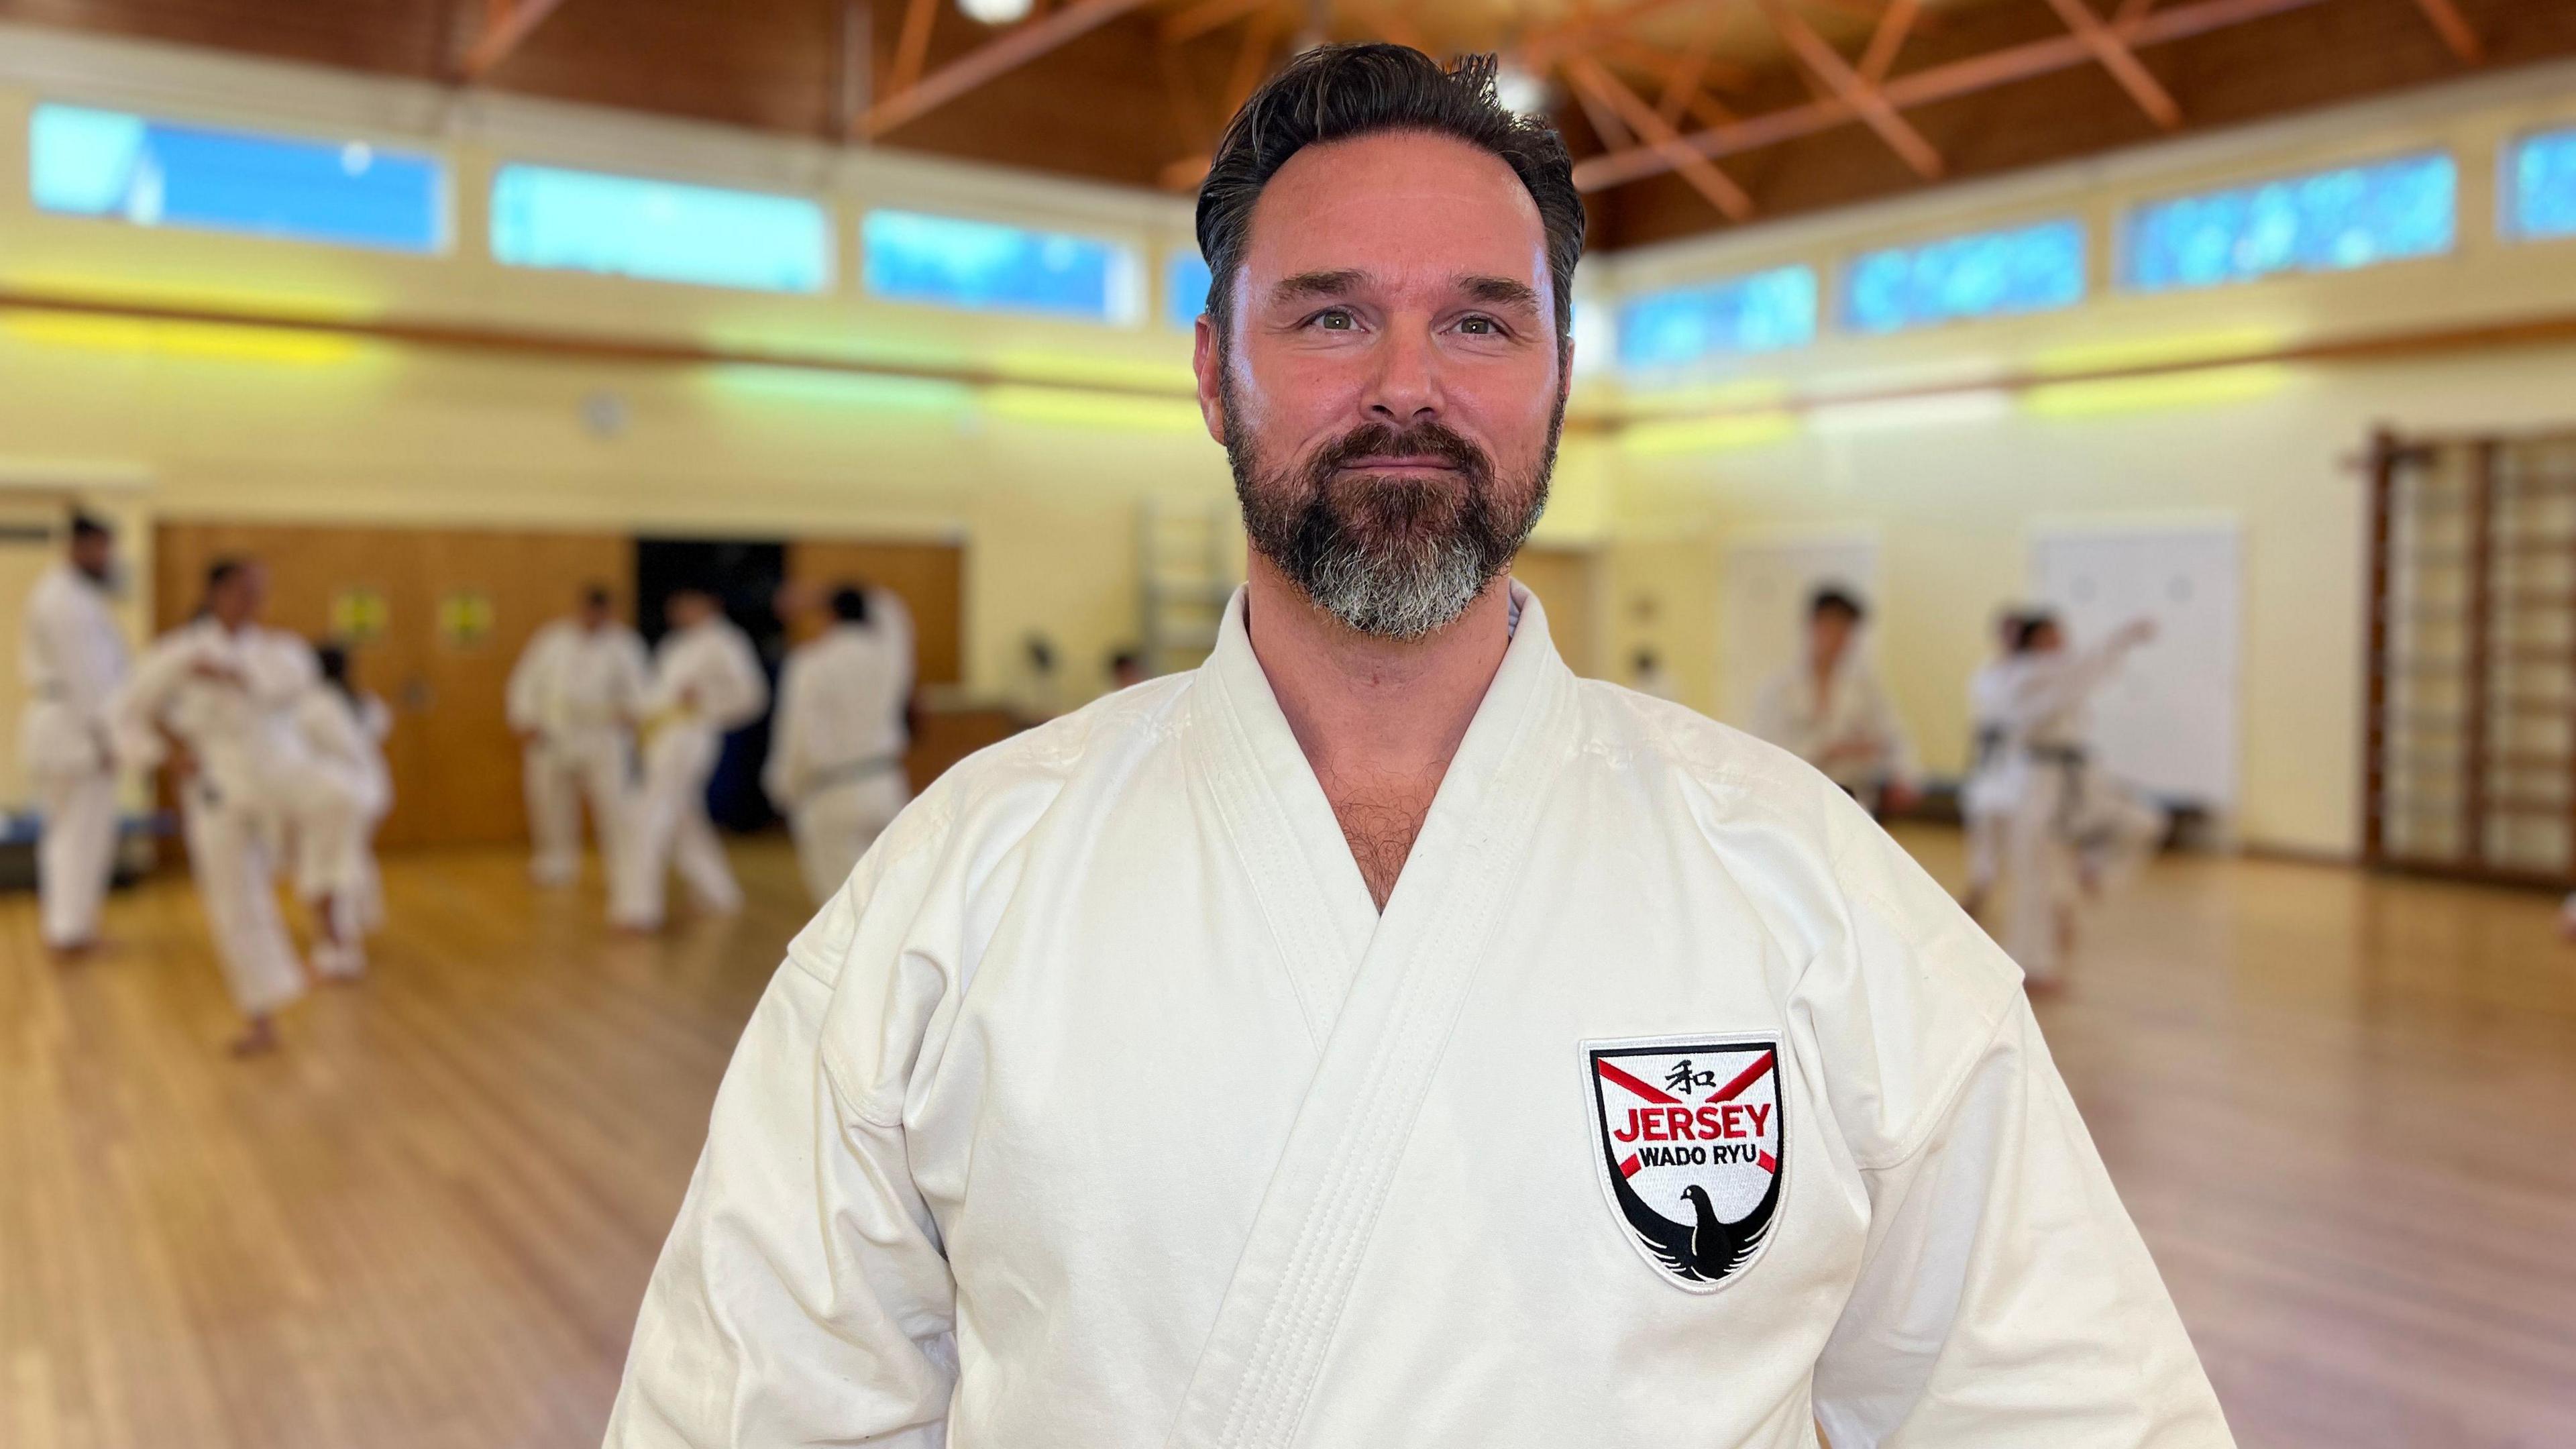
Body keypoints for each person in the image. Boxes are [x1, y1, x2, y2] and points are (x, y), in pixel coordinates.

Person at [604, 46, 2230, 1449]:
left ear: (1558, 378)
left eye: (1477, 324)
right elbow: (760, 1400)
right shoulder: (960, 886)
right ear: (1207, 369)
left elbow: (2060, 1400)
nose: (1405, 389)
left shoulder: (1805, 886)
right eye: (1327, 318)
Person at [115, 559, 354, 1055]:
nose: (253, 602)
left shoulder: (276, 650)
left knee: (344, 797)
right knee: (235, 900)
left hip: (279, 769)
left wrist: (234, 672)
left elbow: (299, 682)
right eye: (244, 591)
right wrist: (165, 755)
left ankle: (329, 916)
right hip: (216, 784)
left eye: (259, 592)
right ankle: (261, 1014)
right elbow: (126, 714)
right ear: (216, 592)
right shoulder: (176, 654)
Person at [1987, 610, 2169, 989]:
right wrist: (2121, 634)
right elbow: (2079, 673)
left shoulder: (2065, 676)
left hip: (2076, 780)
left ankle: (2095, 865)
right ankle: (2030, 966)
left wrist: (2122, 641)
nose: (2058, 646)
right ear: (2031, 643)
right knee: (2033, 882)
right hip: (2033, 783)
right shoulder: (2020, 677)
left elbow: (2091, 670)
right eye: (2048, 638)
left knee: (2143, 821)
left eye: (2060, 637)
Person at [607, 586, 767, 932]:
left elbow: (751, 697)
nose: (678, 610)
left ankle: (638, 909)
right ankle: (720, 893)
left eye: (686, 603)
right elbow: (660, 695)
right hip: (662, 737)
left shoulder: (727, 642)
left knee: (649, 816)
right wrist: (637, 713)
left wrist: (706, 702)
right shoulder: (677, 645)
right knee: (684, 820)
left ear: (708, 603)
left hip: (691, 738)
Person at [19, 511, 129, 958]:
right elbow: (86, 679)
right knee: (77, 834)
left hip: (69, 724)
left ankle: (72, 925)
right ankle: (68, 930)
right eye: (100, 547)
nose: (107, 557)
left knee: (74, 832)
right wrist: (108, 738)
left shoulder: (74, 595)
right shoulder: (62, 600)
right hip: (74, 728)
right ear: (78, 546)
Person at [763, 584, 915, 905]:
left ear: (828, 615)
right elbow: (894, 613)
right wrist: (823, 596)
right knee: (895, 897)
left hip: (830, 791)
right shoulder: (887, 655)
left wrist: (785, 786)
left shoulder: (812, 663)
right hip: (886, 785)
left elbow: (798, 736)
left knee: (841, 907)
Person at [506, 585, 649, 888]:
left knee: (613, 807)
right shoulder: (553, 639)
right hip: (553, 732)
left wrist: (634, 713)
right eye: (588, 610)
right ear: (580, 607)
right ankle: (554, 863)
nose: (593, 617)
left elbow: (642, 692)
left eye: (600, 611)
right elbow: (525, 680)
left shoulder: (625, 644)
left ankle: (623, 868)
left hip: (603, 736)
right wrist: (526, 719)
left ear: (609, 612)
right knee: (549, 802)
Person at [1751, 585, 1919, 816]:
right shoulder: (1779, 688)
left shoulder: (1865, 686)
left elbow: (1893, 734)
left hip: (1853, 798)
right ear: (1813, 625)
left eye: (1846, 631)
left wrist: (1904, 776)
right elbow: (1766, 753)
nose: (1839, 639)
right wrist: (1827, 750)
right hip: (1793, 799)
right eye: (1832, 627)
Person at [293, 643, 393, 975]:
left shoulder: (312, 705)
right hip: (367, 794)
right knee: (347, 863)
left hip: (333, 797)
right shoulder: (361, 703)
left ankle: (337, 948)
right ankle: (343, 944)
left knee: (324, 871)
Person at [1957, 606, 2029, 918]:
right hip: (1990, 764)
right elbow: (1979, 721)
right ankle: (1980, 887)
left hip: (2023, 765)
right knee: (1983, 825)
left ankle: (2051, 907)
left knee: (2028, 839)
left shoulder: (2034, 672)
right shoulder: (1988, 672)